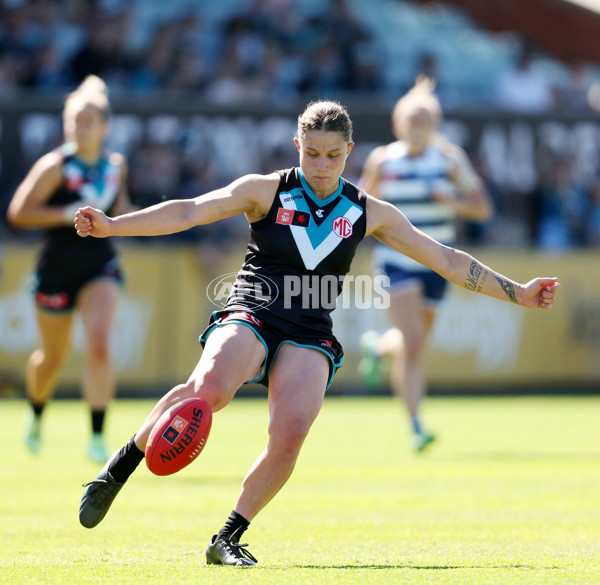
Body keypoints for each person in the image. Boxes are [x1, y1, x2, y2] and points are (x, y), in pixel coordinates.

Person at [75, 100, 558, 566]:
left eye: (331, 155)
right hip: (253, 310)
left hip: (309, 329)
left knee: (289, 436)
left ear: (349, 152)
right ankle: (118, 468)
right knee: (208, 392)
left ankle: (227, 537)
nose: (320, 166)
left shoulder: (370, 212)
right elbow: (188, 211)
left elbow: (449, 261)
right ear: (297, 146)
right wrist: (112, 225)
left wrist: (520, 292)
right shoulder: (264, 190)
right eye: (311, 154)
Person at [358, 76, 493, 452]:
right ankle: (416, 425)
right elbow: (362, 210)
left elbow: (482, 208)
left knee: (411, 343)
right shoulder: (383, 160)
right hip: (396, 261)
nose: (418, 128)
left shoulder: (449, 159)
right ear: (397, 125)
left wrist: (451, 201)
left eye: (424, 121)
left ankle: (380, 347)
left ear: (434, 125)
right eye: (411, 121)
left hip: (438, 262)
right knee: (415, 343)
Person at [7, 75, 135, 463]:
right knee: (52, 357)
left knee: (98, 342)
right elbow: (18, 213)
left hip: (100, 265)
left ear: (105, 127)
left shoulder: (116, 166)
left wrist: (160, 217)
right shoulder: (55, 166)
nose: (80, 128)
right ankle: (36, 412)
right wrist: (65, 214)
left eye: (88, 121)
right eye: (74, 121)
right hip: (56, 269)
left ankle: (97, 437)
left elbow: (122, 211)